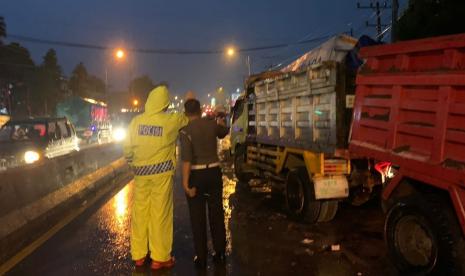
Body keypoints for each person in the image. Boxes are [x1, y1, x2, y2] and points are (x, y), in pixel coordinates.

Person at [123, 84, 188, 270]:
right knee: (161, 214)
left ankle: (139, 255)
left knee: (140, 214)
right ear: (164, 104)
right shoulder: (169, 121)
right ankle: (160, 257)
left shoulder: (136, 122)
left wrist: (131, 162)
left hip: (141, 175)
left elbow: (127, 148)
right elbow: (185, 120)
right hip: (161, 175)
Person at [180, 99, 229, 269]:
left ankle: (201, 257)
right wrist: (221, 121)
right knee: (216, 213)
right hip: (214, 173)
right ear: (200, 110)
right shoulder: (211, 125)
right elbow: (224, 132)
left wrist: (185, 184)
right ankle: (220, 252)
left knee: (197, 217)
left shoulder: (185, 131)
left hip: (196, 175)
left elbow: (186, 160)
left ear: (186, 114)